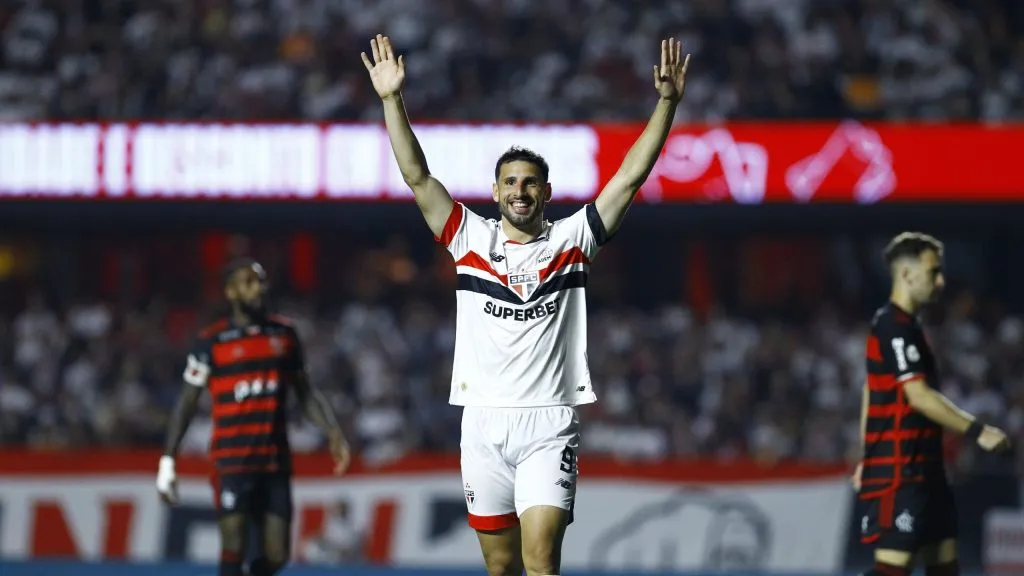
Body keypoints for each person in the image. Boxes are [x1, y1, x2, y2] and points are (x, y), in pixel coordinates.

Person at [360, 33, 690, 576]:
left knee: (541, 559)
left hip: (549, 423)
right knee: (501, 567)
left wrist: (666, 104)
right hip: (482, 424)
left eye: (531, 183)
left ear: (546, 192)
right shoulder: (468, 238)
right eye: (510, 182)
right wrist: (392, 99)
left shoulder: (572, 241)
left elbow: (630, 177)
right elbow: (417, 177)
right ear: (494, 192)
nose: (520, 190)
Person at [156, 258, 352, 576]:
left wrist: (333, 432)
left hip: (274, 462)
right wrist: (168, 460)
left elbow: (305, 392)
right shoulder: (211, 341)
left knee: (277, 555)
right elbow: (186, 403)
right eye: (248, 282)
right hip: (231, 460)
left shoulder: (285, 334)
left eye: (260, 281)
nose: (258, 288)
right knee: (233, 541)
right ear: (231, 292)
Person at [853, 232, 1011, 576]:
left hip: (928, 471)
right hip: (901, 472)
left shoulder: (911, 327)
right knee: (893, 568)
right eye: (932, 272)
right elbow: (918, 395)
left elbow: (871, 389)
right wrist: (977, 430)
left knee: (945, 567)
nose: (940, 281)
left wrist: (865, 456)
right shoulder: (893, 326)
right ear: (906, 274)